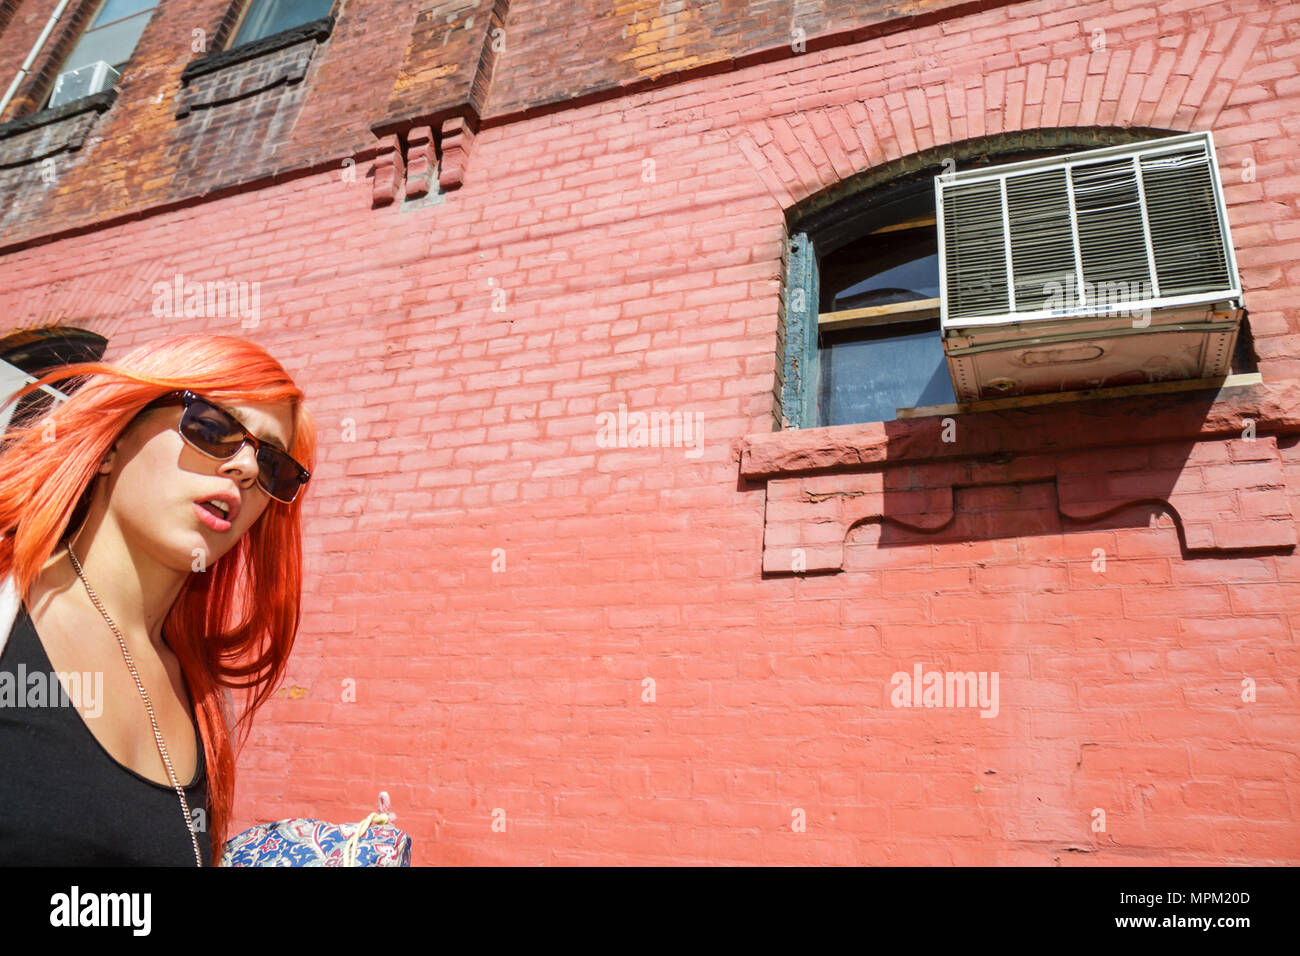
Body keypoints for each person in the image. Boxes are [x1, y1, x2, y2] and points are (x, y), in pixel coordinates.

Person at [0, 335, 316, 865]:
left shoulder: (204, 701)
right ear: (112, 442)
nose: (243, 467)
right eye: (213, 427)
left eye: (272, 465)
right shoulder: (10, 614)